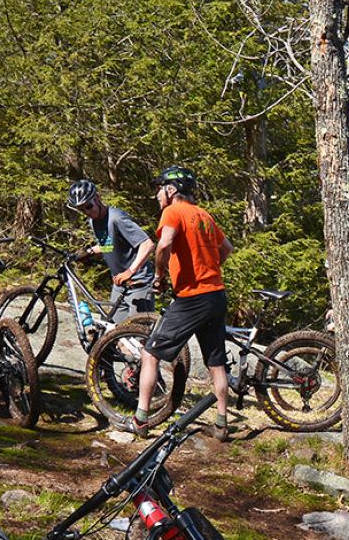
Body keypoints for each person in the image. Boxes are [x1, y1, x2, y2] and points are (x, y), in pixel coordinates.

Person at [133, 166, 232, 437]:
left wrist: (158, 275)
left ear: (172, 190)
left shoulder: (173, 212)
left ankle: (141, 418)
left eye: (160, 188)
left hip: (192, 297)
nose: (157, 195)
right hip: (216, 294)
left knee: (150, 353)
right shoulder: (205, 216)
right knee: (216, 362)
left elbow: (164, 245)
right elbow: (227, 249)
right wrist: (210, 267)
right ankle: (222, 424)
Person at [66, 179, 155, 326]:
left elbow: (147, 244)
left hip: (138, 282)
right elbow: (108, 245)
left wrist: (130, 271)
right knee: (110, 332)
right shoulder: (93, 221)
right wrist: (88, 252)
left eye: (89, 206)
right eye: (82, 210)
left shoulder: (116, 218)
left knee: (139, 334)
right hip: (120, 284)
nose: (87, 212)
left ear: (98, 198)